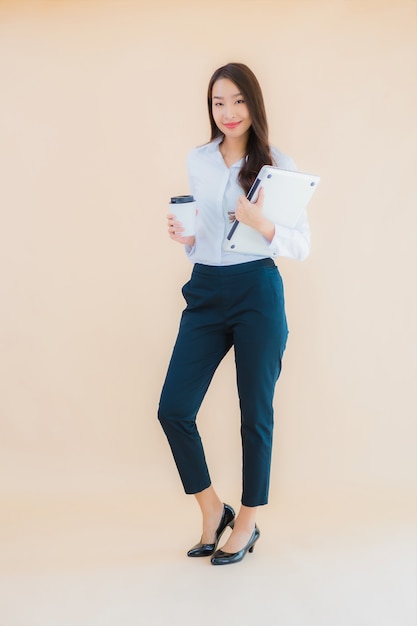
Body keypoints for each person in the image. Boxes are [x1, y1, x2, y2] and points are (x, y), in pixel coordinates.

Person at [158, 62, 310, 566]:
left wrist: (259, 220)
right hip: (205, 290)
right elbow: (204, 232)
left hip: (256, 291)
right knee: (174, 409)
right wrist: (186, 238)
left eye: (238, 101)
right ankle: (211, 508)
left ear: (254, 104)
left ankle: (245, 522)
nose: (228, 112)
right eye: (219, 102)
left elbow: (300, 245)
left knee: (255, 411)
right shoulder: (198, 159)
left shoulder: (276, 163)